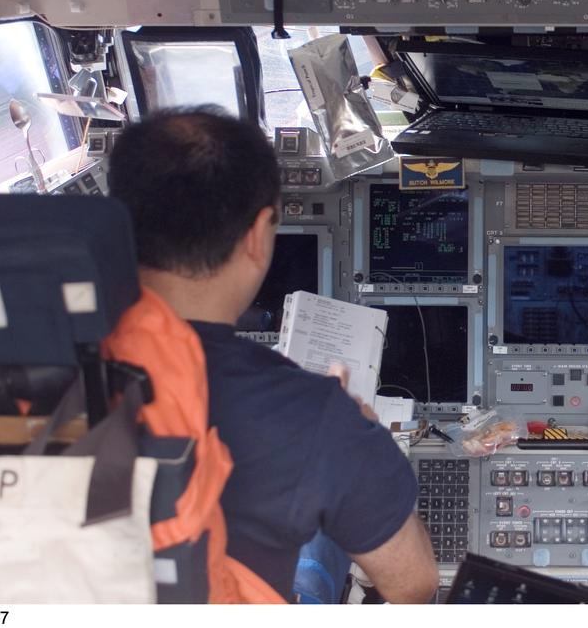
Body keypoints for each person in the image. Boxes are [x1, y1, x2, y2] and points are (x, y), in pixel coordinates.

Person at [109, 107, 439, 604]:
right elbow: (414, 587)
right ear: (258, 235)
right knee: (322, 536)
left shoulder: (28, 369)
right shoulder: (319, 415)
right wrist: (366, 445)